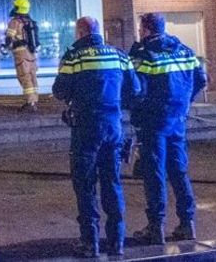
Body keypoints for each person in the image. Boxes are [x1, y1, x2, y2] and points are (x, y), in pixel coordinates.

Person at [52, 16, 140, 258]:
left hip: (86, 128)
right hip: (113, 127)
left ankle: (90, 242)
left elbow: (59, 90)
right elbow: (135, 90)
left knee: (85, 185)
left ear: (81, 32)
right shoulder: (120, 56)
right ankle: (117, 242)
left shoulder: (75, 57)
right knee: (112, 183)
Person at [129, 12, 208, 245]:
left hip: (153, 123)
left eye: (140, 28)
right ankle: (187, 224)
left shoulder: (145, 55)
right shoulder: (184, 49)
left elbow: (136, 90)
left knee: (155, 175)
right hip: (177, 121)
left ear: (145, 29)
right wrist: (184, 103)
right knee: (179, 172)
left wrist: (133, 109)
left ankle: (156, 227)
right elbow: (201, 80)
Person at [3, 0, 41, 111]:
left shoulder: (14, 22)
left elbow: (9, 39)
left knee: (25, 78)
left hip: (21, 56)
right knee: (32, 77)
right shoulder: (29, 22)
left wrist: (6, 46)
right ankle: (34, 101)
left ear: (18, 8)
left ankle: (30, 103)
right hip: (32, 55)